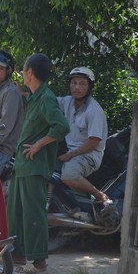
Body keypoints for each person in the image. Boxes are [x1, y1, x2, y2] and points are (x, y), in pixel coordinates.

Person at [7, 54, 70, 274]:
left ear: (30, 72)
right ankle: (16, 255)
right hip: (22, 166)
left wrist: (38, 145)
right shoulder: (35, 97)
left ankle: (39, 261)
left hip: (35, 166)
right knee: (15, 212)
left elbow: (61, 127)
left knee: (33, 213)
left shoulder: (46, 98)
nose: (22, 74)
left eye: (23, 70)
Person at [57, 66, 110, 205]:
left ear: (89, 87)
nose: (77, 87)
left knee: (69, 176)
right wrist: (25, 94)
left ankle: (100, 196)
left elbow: (93, 142)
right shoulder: (68, 101)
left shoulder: (94, 110)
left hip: (89, 155)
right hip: (72, 152)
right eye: (74, 83)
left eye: (82, 84)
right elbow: (48, 101)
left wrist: (70, 155)